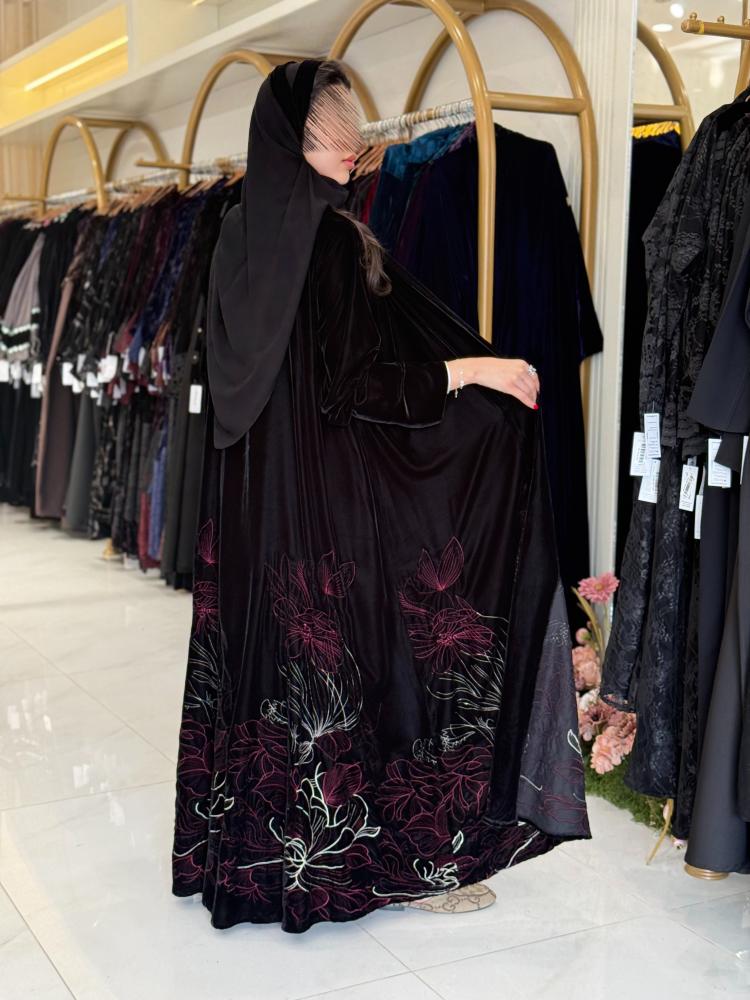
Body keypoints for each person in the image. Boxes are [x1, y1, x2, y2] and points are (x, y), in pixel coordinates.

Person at [171, 57, 591, 935]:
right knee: (363, 671)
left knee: (268, 676)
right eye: (334, 130)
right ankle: (388, 866)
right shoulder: (326, 239)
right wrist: (473, 371)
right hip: (322, 506)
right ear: (299, 139)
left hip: (249, 508)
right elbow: (359, 385)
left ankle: (257, 864)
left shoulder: (237, 228)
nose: (353, 145)